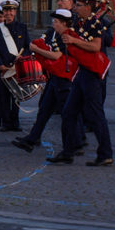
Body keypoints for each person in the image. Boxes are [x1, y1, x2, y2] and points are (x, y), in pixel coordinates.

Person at [49, 0, 113, 166]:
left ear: (88, 6)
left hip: (92, 75)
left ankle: (105, 153)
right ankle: (68, 151)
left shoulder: (95, 23)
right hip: (81, 73)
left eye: (78, 5)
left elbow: (95, 46)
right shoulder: (79, 22)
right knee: (68, 112)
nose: (75, 8)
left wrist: (73, 40)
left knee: (96, 114)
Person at [12, 9, 75, 153]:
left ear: (64, 23)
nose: (53, 24)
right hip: (54, 77)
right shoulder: (55, 33)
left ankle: (74, 144)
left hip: (63, 79)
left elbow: (56, 56)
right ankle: (32, 139)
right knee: (44, 109)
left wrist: (36, 49)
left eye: (56, 22)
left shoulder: (66, 36)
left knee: (68, 114)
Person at [0, 0, 30, 132]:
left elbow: (28, 46)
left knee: (17, 95)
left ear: (15, 12)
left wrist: (23, 58)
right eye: (6, 10)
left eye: (11, 10)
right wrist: (0, 65)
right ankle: (6, 122)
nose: (8, 13)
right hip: (2, 68)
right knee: (2, 96)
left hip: (17, 67)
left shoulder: (22, 28)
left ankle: (15, 122)